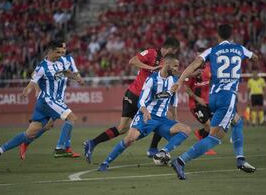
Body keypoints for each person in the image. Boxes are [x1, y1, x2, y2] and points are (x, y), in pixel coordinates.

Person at [170, 24, 257, 180]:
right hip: (227, 97)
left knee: (237, 121)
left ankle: (240, 159)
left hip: (213, 97)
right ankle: (181, 161)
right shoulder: (240, 48)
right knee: (214, 137)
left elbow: (193, 64)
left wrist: (180, 80)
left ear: (218, 36)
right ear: (231, 36)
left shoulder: (212, 50)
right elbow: (255, 57)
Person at [83, 37, 180, 163]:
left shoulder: (167, 62)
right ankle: (153, 149)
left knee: (125, 128)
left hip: (147, 100)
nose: (174, 54)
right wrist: (149, 68)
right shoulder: (151, 53)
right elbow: (132, 61)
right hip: (135, 95)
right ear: (169, 48)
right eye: (174, 51)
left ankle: (92, 143)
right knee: (164, 118)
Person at [0, 41, 82, 169]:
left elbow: (65, 73)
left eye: (61, 52)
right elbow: (32, 82)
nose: (60, 55)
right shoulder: (42, 67)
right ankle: (60, 149)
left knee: (29, 134)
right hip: (49, 101)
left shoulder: (60, 62)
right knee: (71, 118)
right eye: (57, 52)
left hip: (45, 104)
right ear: (50, 51)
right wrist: (26, 92)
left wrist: (74, 77)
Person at [98, 53, 191, 171]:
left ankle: (163, 152)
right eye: (175, 66)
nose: (177, 69)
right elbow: (141, 101)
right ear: (167, 64)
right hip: (147, 116)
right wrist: (145, 112)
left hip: (162, 120)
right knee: (130, 139)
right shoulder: (152, 80)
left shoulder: (173, 80)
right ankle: (106, 162)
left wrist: (176, 117)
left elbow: (174, 100)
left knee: (186, 129)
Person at [19, 42, 82, 160]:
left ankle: (65, 148)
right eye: (60, 50)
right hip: (50, 99)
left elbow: (72, 73)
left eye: (64, 49)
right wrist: (37, 90)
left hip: (59, 98)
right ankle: (28, 142)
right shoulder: (51, 62)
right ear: (55, 50)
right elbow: (35, 75)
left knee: (52, 125)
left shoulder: (67, 60)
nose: (62, 51)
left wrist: (78, 78)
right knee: (54, 124)